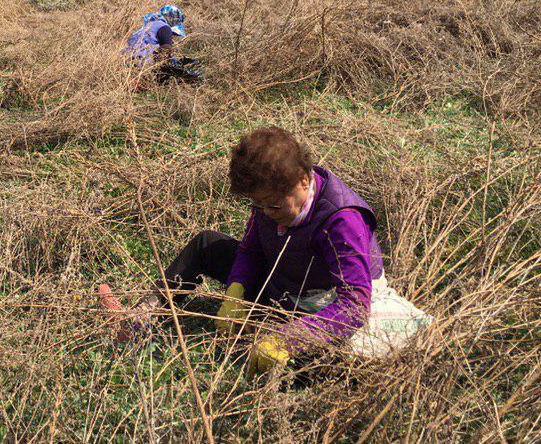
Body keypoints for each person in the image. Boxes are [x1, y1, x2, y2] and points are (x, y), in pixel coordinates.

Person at [99, 126, 383, 373]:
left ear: (304, 180)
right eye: (258, 205)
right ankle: (141, 319)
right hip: (280, 278)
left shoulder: (342, 220)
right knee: (206, 244)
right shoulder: (268, 202)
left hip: (316, 302)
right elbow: (251, 250)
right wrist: (236, 289)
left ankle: (271, 339)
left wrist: (290, 338)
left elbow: (354, 306)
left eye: (273, 205)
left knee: (319, 363)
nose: (266, 213)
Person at [124, 5, 200, 82]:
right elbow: (165, 51)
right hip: (143, 64)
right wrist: (177, 68)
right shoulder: (165, 28)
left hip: (127, 61)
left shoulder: (149, 25)